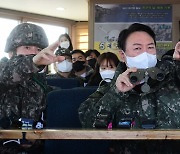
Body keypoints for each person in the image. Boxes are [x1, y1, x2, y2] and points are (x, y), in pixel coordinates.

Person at [78, 23, 180, 153]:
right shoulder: (109, 89)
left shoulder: (173, 78)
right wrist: (116, 93)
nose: (145, 53)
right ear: (122, 55)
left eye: (150, 47)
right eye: (137, 48)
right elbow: (88, 124)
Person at [0, 23, 64, 154]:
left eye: (39, 49)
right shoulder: (3, 70)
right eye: (27, 47)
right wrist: (32, 62)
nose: (34, 53)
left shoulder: (45, 86)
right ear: (12, 51)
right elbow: (7, 75)